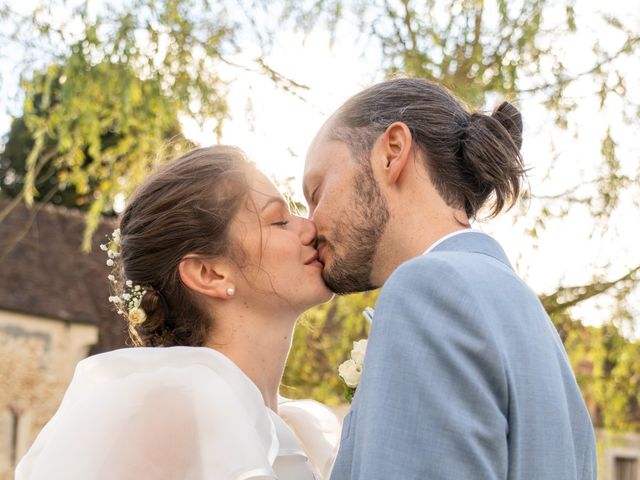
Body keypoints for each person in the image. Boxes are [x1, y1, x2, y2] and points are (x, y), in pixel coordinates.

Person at [303, 78, 597, 479]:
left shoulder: (425, 291)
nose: (309, 223)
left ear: (392, 152)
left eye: (317, 191)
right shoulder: (534, 323)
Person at [16, 145, 340, 480]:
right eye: (280, 221)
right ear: (209, 274)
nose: (309, 228)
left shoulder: (302, 428)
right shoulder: (172, 409)